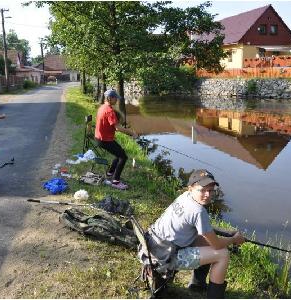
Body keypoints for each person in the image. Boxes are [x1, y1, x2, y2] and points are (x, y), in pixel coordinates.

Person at [147, 169, 246, 298]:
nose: (207, 194)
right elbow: (216, 245)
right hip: (166, 257)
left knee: (208, 243)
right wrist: (234, 239)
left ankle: (197, 285)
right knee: (222, 254)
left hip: (154, 246)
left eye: (210, 191)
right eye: (202, 190)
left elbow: (205, 230)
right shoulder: (198, 211)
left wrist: (227, 233)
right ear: (191, 188)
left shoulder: (184, 197)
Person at [95, 89, 137, 190]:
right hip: (104, 140)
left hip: (99, 138)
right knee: (123, 157)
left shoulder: (102, 107)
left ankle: (110, 173)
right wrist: (132, 133)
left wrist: (114, 128)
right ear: (110, 98)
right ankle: (116, 181)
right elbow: (118, 127)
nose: (117, 100)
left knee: (119, 153)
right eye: (115, 98)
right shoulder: (109, 111)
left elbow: (109, 125)